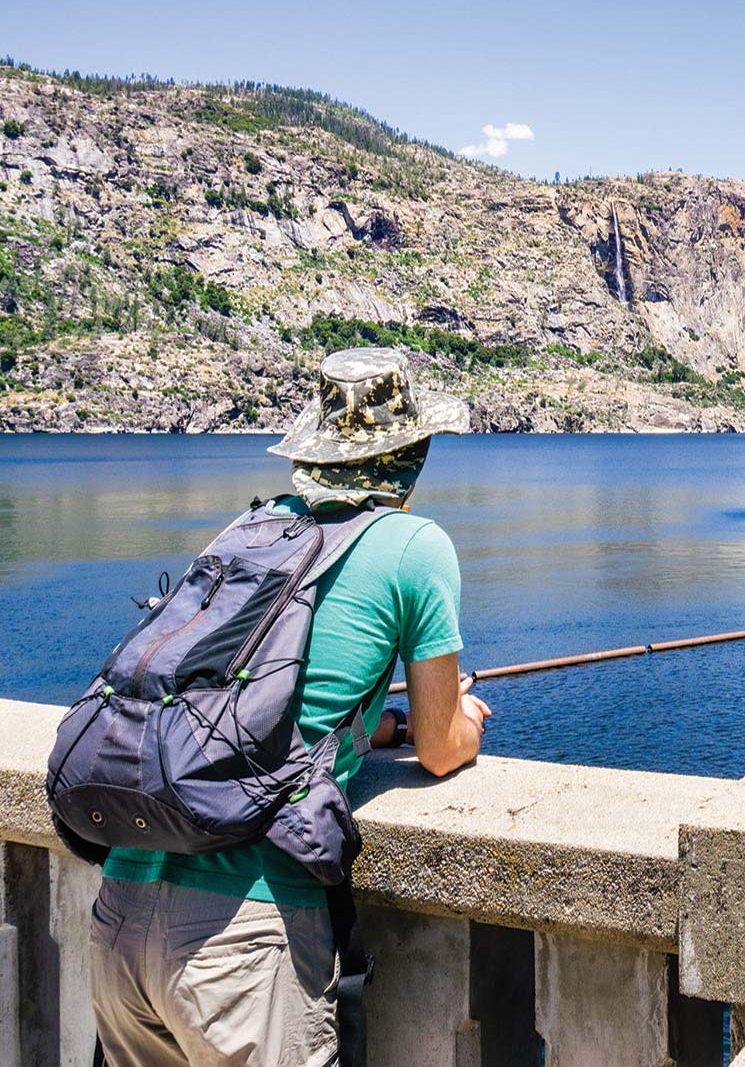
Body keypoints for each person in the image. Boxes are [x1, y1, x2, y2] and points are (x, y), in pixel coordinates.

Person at [89, 348, 491, 1067]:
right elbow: (439, 748)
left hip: (121, 904)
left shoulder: (253, 528)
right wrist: (463, 719)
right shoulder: (413, 545)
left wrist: (374, 726)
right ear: (414, 452)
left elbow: (250, 697)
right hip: (243, 936)